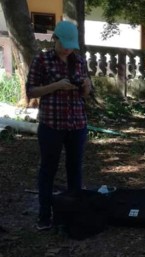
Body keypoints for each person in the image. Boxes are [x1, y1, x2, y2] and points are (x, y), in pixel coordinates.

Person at [26, 20, 92, 231]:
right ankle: (44, 215)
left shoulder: (79, 61)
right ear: (55, 39)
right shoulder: (42, 60)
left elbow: (86, 94)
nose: (68, 49)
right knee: (48, 170)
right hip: (51, 124)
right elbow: (31, 91)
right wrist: (56, 86)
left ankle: (72, 214)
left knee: (75, 170)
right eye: (65, 44)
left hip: (77, 123)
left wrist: (86, 87)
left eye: (71, 45)